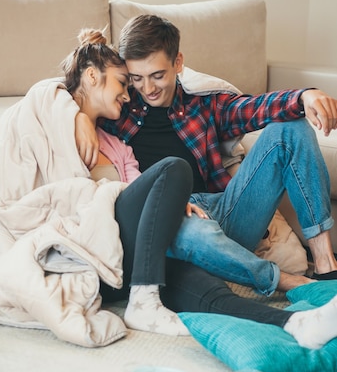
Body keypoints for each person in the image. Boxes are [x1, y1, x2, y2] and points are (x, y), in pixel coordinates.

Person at [59, 28, 337, 350]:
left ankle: (326, 268)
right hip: (168, 222)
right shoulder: (120, 106)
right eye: (136, 78)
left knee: (291, 128)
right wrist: (78, 115)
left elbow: (255, 107)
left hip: (223, 209)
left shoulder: (203, 105)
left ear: (178, 63)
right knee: (189, 230)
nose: (147, 88)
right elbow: (72, 88)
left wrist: (304, 97)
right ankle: (289, 284)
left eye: (158, 75)